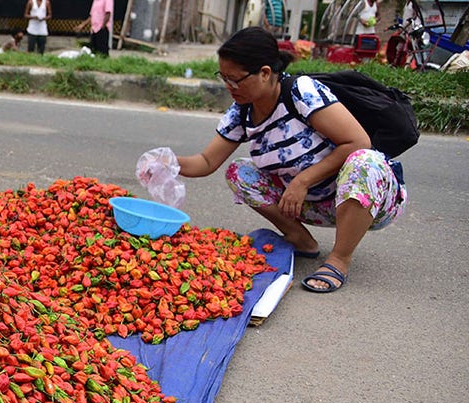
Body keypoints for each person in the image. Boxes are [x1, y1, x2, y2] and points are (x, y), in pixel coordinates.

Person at [145, 27, 406, 293]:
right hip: (307, 204)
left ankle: (339, 259)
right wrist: (166, 162)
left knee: (365, 161)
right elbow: (206, 161)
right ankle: (302, 240)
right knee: (239, 172)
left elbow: (357, 142)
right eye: (223, 78)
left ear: (265, 73)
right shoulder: (242, 112)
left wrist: (303, 181)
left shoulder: (301, 92)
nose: (229, 87)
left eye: (235, 80)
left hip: (364, 200)